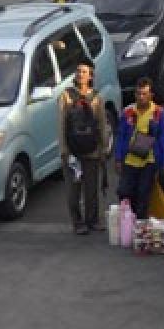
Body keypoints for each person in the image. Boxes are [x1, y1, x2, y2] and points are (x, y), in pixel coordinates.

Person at [58, 59, 110, 234]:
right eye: (78, 71)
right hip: (72, 152)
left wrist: (104, 149)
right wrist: (64, 150)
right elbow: (61, 124)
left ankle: (93, 220)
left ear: (91, 76)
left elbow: (102, 124)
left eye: (84, 72)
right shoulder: (66, 96)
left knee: (91, 190)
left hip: (92, 150)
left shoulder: (97, 98)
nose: (80, 74)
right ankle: (77, 222)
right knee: (73, 191)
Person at [115, 78, 164, 220]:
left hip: (149, 161)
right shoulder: (127, 112)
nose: (141, 97)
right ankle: (128, 221)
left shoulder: (159, 113)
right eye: (138, 94)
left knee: (143, 195)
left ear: (151, 95)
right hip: (130, 161)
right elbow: (120, 137)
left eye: (144, 94)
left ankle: (140, 227)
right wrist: (118, 159)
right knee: (124, 192)